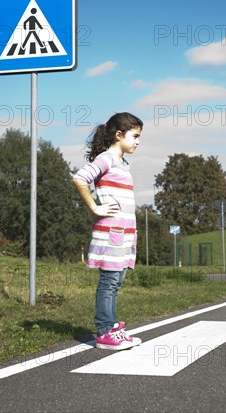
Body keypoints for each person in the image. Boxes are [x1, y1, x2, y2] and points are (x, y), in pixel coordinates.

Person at [73, 112, 143, 351]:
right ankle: (104, 331)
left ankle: (112, 327)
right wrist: (95, 206)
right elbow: (80, 178)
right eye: (135, 136)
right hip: (110, 232)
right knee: (109, 281)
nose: (137, 141)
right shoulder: (107, 158)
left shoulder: (123, 163)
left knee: (117, 282)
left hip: (123, 234)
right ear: (119, 135)